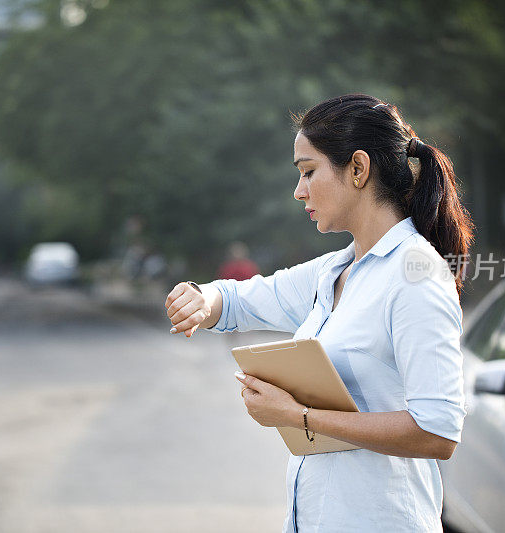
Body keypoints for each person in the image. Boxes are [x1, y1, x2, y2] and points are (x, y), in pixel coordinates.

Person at [164, 94, 474, 532]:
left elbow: (438, 432)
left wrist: (296, 417)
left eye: (308, 172)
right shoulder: (332, 271)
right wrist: (200, 298)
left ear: (359, 169)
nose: (299, 190)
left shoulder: (415, 276)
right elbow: (239, 301)